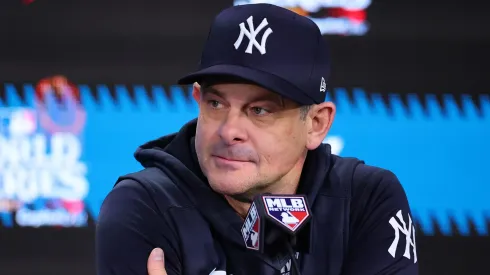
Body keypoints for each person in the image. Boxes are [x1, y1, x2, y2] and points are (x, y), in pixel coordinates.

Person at [96, 3, 419, 275]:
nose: (228, 130)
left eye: (260, 110)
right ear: (197, 99)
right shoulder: (142, 205)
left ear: (316, 124)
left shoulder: (366, 197)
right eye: (216, 103)